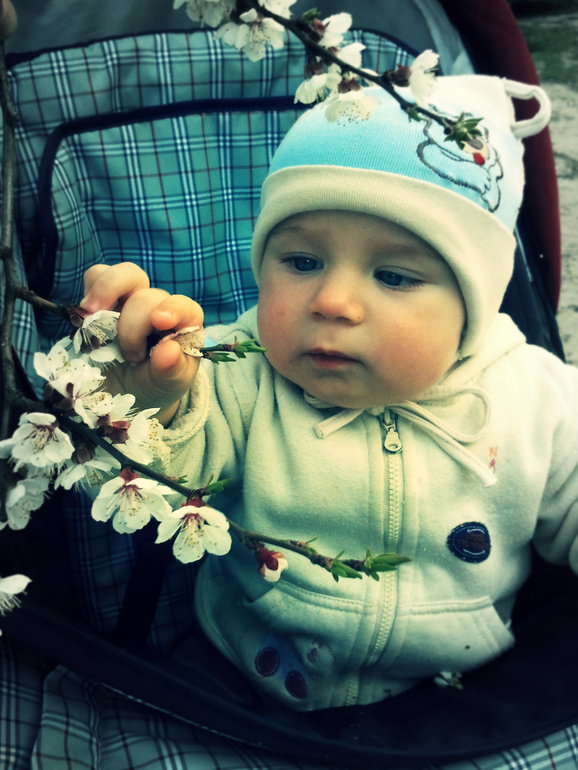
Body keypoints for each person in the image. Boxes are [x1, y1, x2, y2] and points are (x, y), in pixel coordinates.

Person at [77, 73, 578, 713]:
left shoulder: (534, 398)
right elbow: (148, 484)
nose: (333, 301)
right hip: (246, 675)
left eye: (393, 275)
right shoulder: (235, 372)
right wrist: (146, 397)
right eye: (302, 262)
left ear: (474, 302)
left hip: (464, 693)